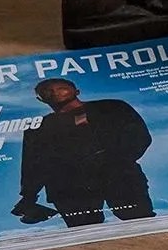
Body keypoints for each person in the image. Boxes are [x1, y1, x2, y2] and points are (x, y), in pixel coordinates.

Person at [14, 78, 156, 226]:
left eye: (61, 88)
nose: (54, 92)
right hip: (68, 186)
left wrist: (115, 161)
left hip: (119, 176)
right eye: (47, 91)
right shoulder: (38, 127)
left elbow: (139, 137)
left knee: (140, 222)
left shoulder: (112, 107)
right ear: (40, 99)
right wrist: (28, 195)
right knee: (84, 232)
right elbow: (33, 163)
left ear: (77, 91)